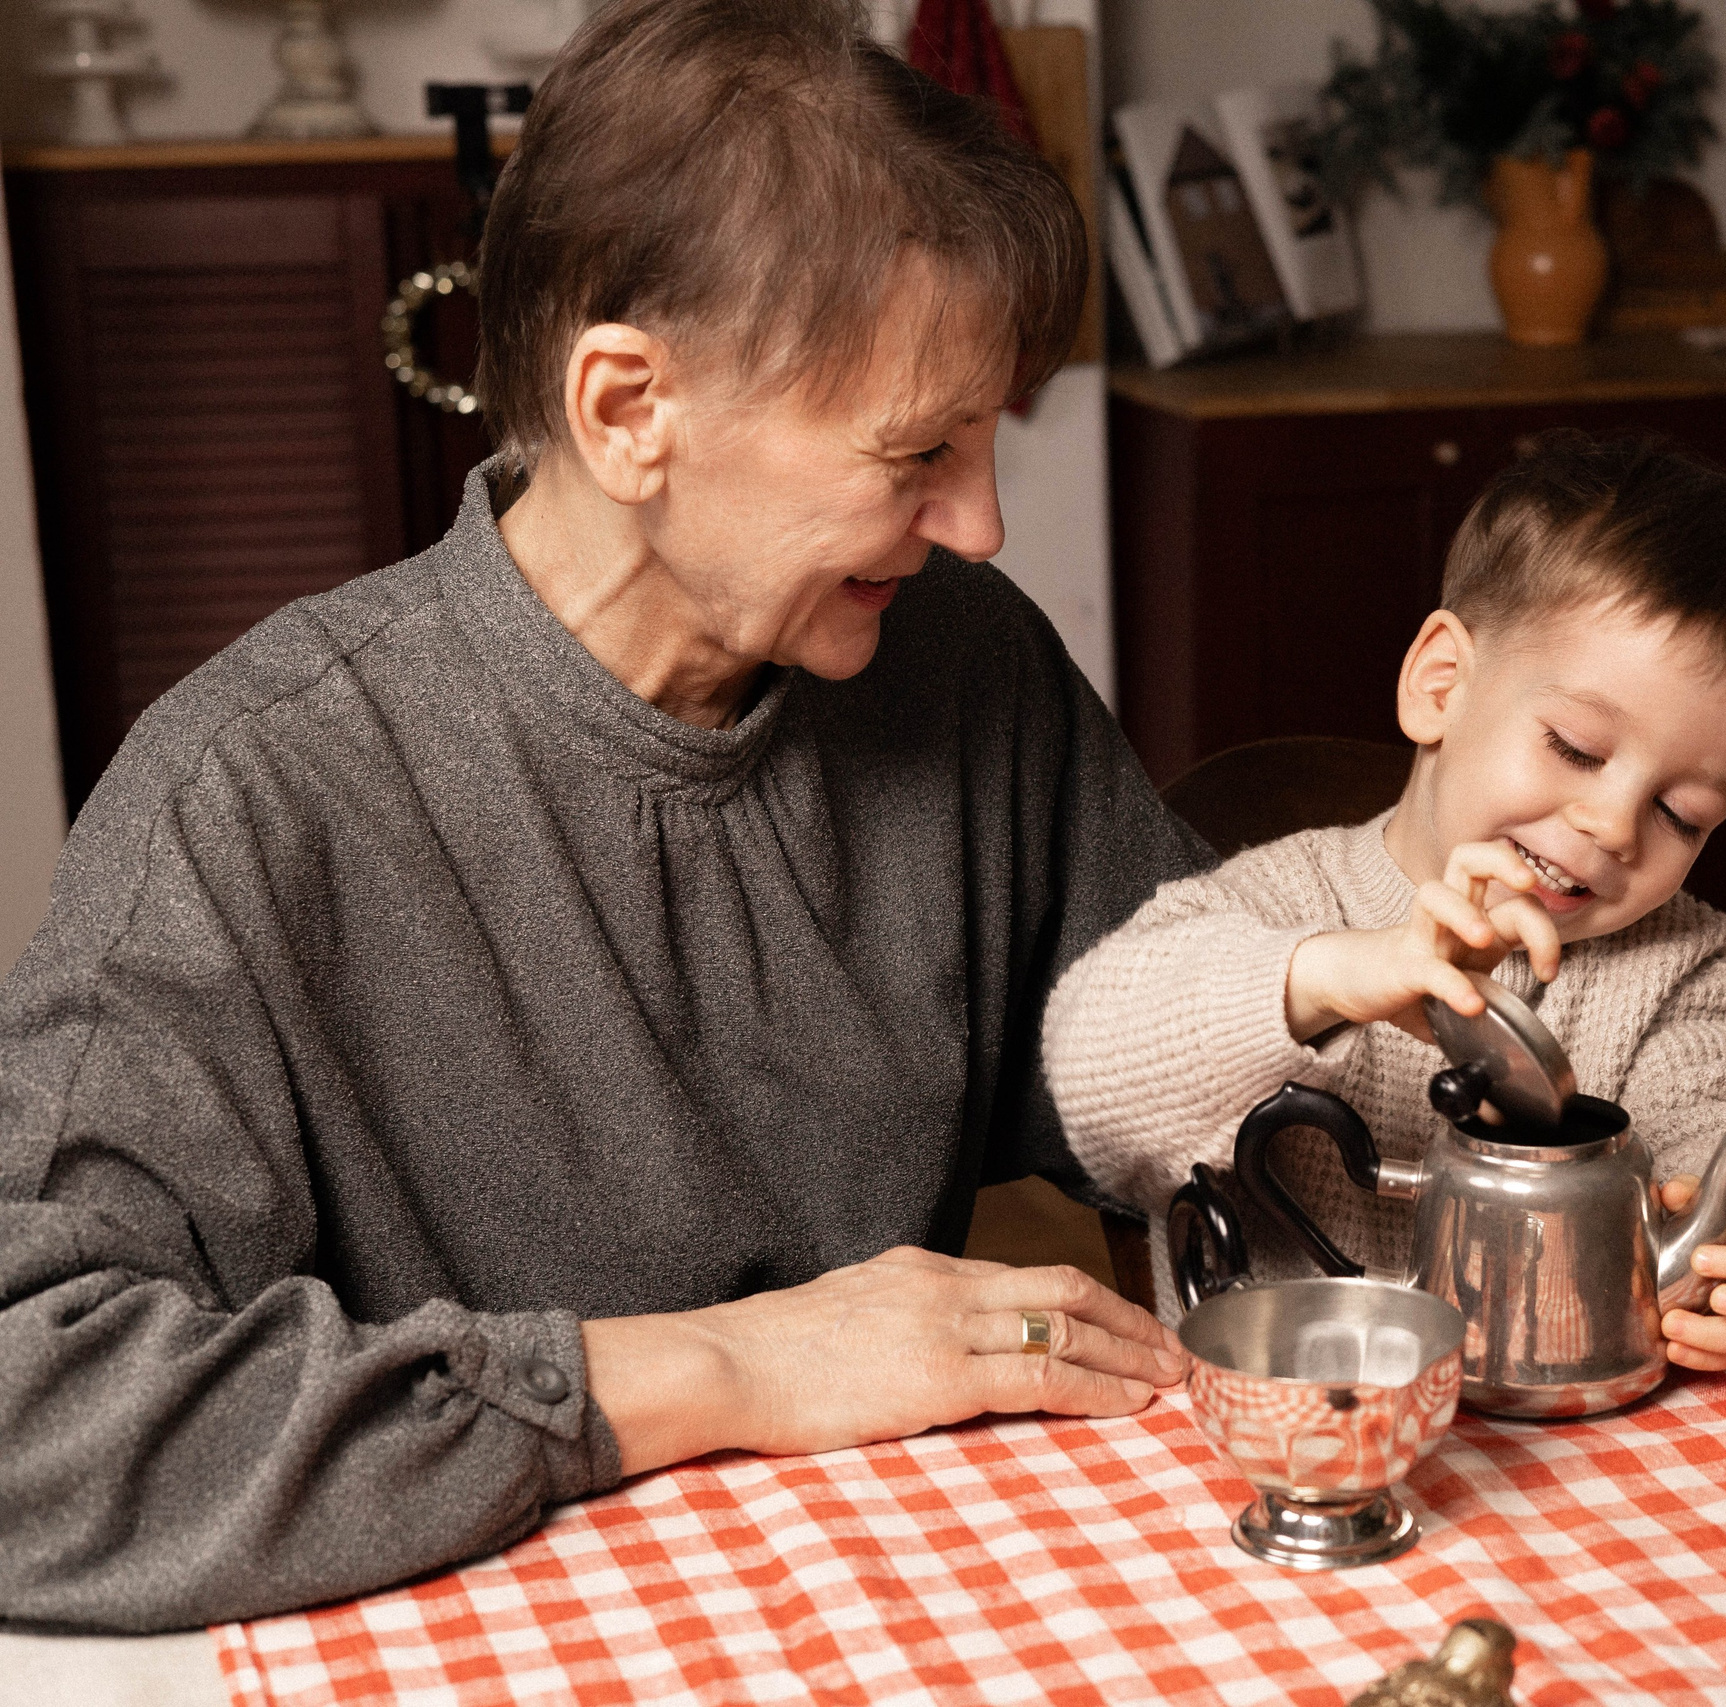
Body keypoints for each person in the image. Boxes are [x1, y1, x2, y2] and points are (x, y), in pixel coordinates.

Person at [0, 0, 1205, 1633]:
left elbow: (1204, 1071)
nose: (979, 522)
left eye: (985, 439)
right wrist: (727, 1367)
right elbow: (31, 1428)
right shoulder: (247, 797)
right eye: (915, 451)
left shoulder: (962, 664)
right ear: (629, 408)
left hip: (907, 1614)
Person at [1046, 433, 1726, 1372]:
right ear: (1441, 686)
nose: (1615, 825)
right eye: (1577, 748)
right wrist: (1340, 973)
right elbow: (1091, 1075)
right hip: (1293, 1440)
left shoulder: (1685, 963)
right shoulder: (1274, 904)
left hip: (1572, 1453)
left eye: (1682, 811)